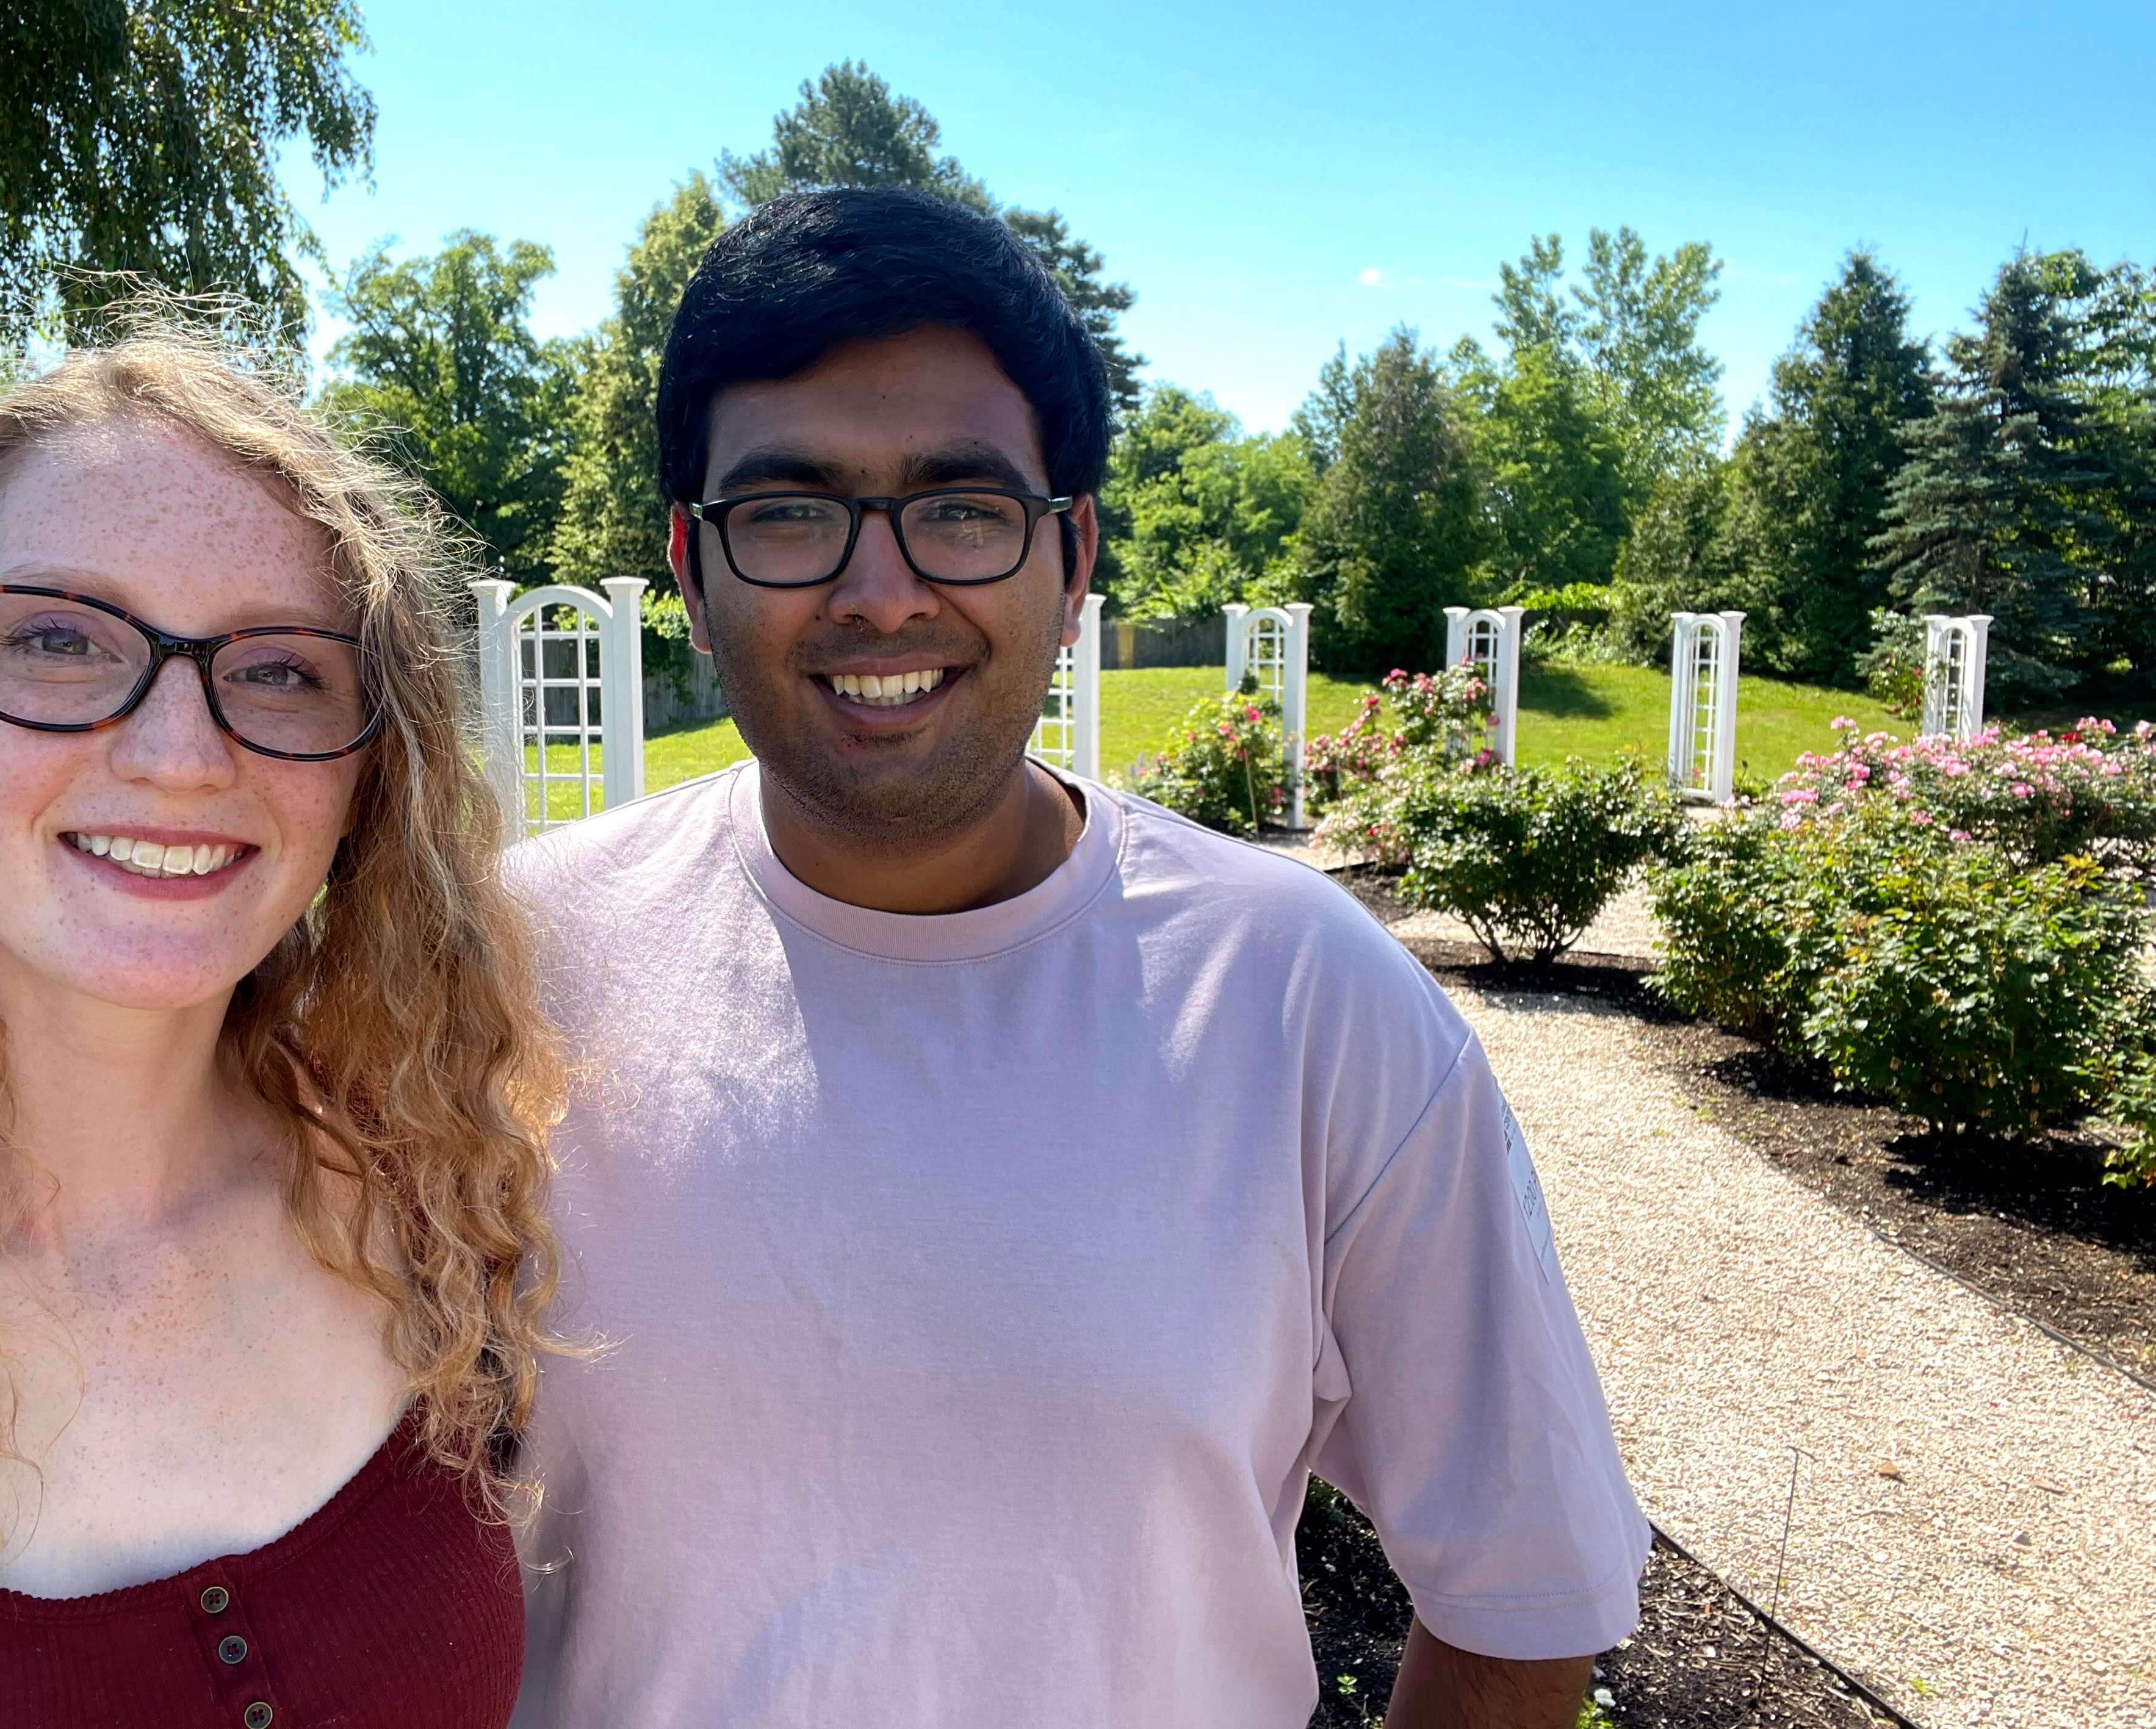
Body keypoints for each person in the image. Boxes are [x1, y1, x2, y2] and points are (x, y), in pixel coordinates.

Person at [508, 189, 1649, 1728]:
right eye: (790, 513)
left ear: (1077, 552)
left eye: (961, 509)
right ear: (690, 565)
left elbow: (1525, 1599)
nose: (880, 588)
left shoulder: (1302, 1002)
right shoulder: (511, 974)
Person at [0, 337, 561, 1727]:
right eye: (56, 638)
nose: (179, 755)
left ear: (370, 766)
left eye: (279, 670)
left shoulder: (436, 1195)